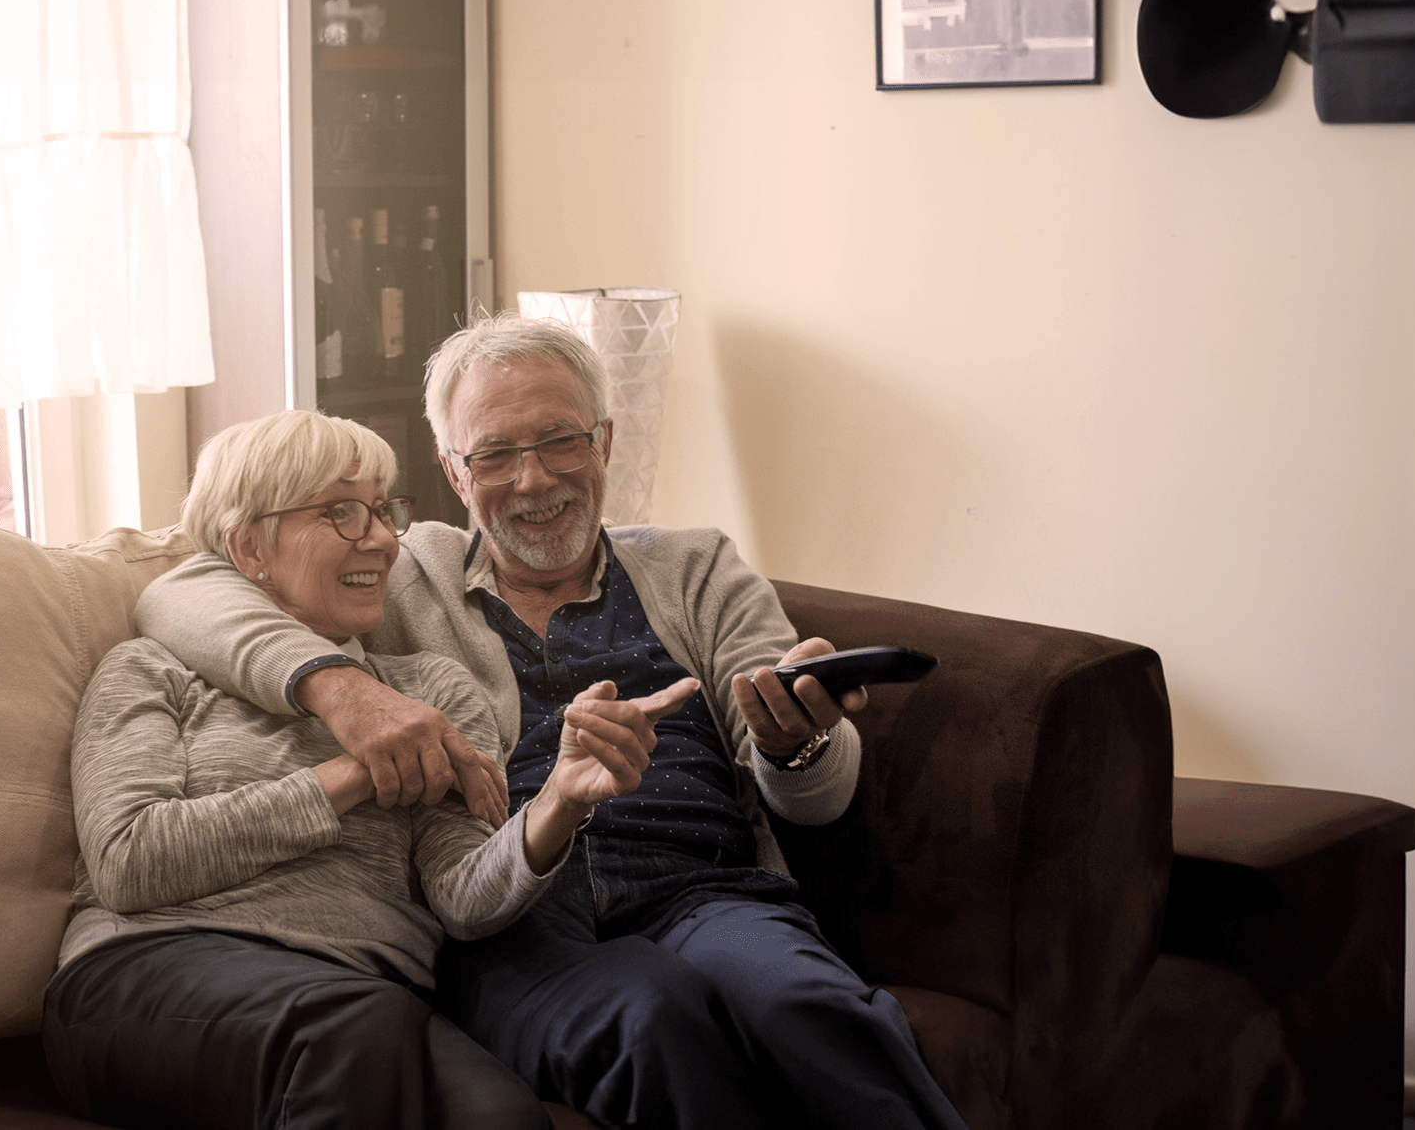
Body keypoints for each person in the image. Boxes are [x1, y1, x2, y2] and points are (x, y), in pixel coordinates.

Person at [136, 315, 970, 1130]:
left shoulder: (695, 566)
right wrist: (344, 691)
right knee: (646, 1023)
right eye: (494, 453)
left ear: (604, 443)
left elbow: (814, 799)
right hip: (512, 915)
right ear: (455, 472)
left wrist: (795, 742)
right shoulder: (401, 570)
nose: (532, 479)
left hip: (699, 889)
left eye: (559, 440)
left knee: (810, 1007)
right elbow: (178, 590)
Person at [42, 409, 698, 1130]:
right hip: (145, 972)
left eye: (383, 511)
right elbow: (127, 861)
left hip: (360, 994)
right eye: (343, 513)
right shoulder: (150, 668)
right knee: (352, 1031)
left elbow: (462, 899)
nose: (383, 540)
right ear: (248, 544)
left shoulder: (434, 691)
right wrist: (355, 773)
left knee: (505, 1117)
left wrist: (557, 802)